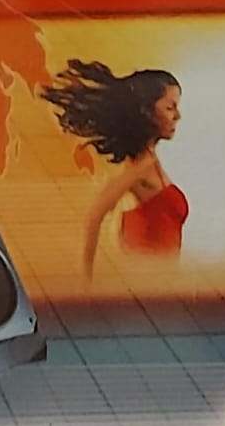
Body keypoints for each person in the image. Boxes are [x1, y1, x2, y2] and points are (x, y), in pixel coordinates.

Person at [41, 59, 186, 275]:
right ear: (147, 111)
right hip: (147, 276)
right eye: (170, 107)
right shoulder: (141, 167)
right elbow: (95, 215)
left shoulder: (149, 160)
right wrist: (86, 280)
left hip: (160, 278)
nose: (178, 116)